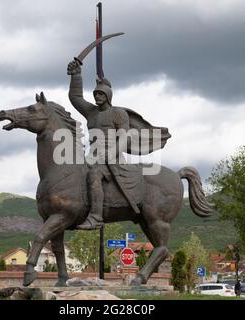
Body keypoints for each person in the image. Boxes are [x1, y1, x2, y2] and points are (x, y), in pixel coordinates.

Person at [67, 60, 170, 230]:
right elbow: (75, 97)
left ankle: (96, 217)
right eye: (95, 95)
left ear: (108, 95)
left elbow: (124, 135)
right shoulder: (91, 112)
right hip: (92, 156)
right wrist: (76, 76)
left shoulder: (118, 113)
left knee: (95, 174)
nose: (97, 97)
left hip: (112, 158)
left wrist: (113, 152)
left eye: (100, 94)